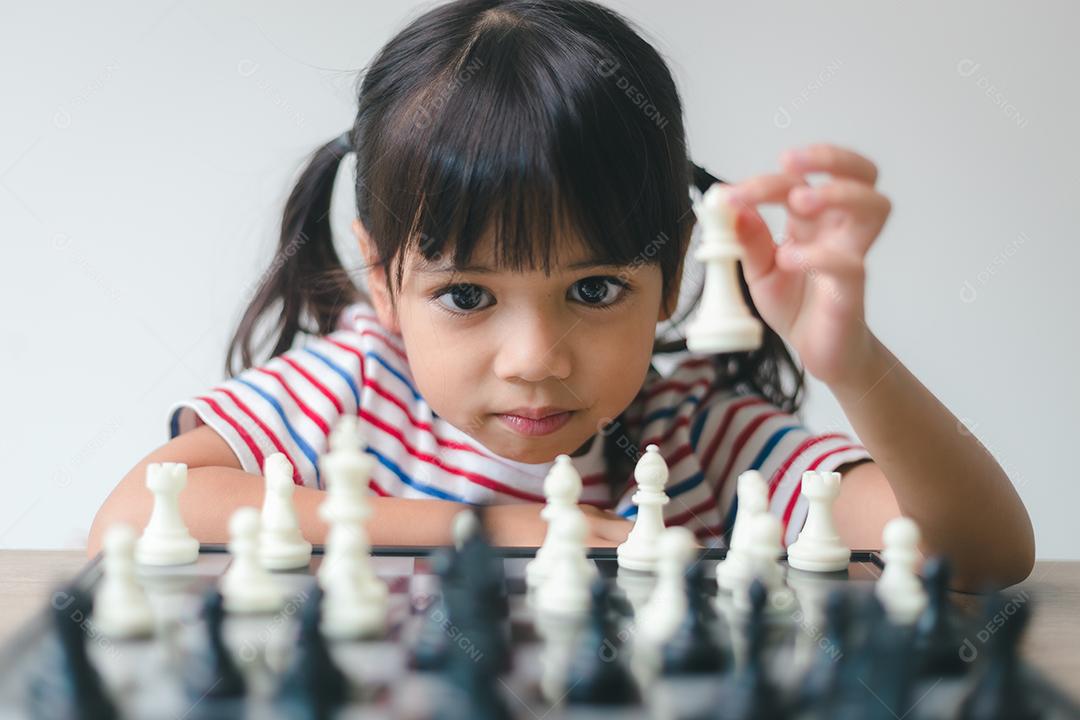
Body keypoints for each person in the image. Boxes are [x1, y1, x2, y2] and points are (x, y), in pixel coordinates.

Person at [88, 0, 1033, 590]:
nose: (535, 358)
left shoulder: (696, 434)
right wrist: (503, 527)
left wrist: (854, 364)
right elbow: (132, 515)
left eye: (593, 287)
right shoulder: (348, 395)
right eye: (465, 295)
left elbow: (982, 556)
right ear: (382, 280)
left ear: (671, 282)